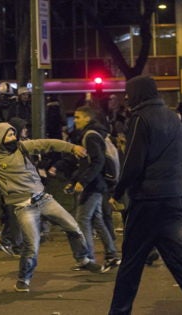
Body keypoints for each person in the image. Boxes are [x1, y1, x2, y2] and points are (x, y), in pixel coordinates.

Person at [108, 75, 182, 314]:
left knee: (130, 265)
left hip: (147, 203)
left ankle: (118, 312)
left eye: (129, 93)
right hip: (173, 201)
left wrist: (116, 194)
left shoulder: (139, 119)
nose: (127, 98)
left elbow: (132, 164)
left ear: (139, 93)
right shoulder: (172, 117)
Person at [0, 122, 104, 293]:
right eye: (9, 135)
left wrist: (71, 148)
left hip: (44, 199)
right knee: (32, 245)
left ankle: (83, 259)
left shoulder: (22, 147)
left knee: (73, 227)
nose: (14, 138)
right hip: (24, 207)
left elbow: (48, 143)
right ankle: (23, 278)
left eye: (14, 134)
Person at [70, 105, 120, 271]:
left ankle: (87, 257)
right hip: (98, 184)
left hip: (93, 185)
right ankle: (112, 255)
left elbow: (96, 162)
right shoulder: (96, 134)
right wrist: (74, 180)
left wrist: (83, 182)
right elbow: (87, 163)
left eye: (78, 117)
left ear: (87, 118)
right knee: (97, 220)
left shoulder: (90, 136)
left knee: (83, 220)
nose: (75, 120)